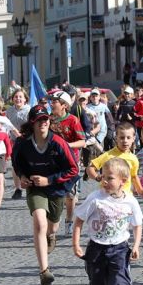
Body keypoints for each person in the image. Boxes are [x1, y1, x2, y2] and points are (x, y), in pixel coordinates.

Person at [72, 158, 143, 285]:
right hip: (96, 248)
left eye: (109, 178)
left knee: (119, 284)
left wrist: (135, 245)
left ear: (123, 181)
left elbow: (137, 225)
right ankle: (100, 282)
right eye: (103, 177)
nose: (104, 181)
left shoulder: (131, 202)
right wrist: (76, 244)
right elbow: (79, 220)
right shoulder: (95, 198)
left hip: (119, 248)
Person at [13, 105, 80, 285]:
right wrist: (23, 177)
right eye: (39, 120)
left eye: (45, 119)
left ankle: (51, 235)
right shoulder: (23, 143)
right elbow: (16, 163)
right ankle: (44, 271)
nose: (43, 122)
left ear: (49, 122)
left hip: (56, 188)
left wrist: (49, 180)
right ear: (32, 123)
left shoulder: (58, 142)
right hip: (35, 188)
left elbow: (74, 170)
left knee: (52, 224)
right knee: (40, 222)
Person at [48, 89, 86, 236]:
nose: (52, 104)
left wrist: (66, 146)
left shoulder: (73, 120)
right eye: (51, 101)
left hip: (71, 162)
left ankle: (69, 220)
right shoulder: (49, 120)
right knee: (54, 194)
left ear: (64, 105)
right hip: (53, 163)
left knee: (70, 196)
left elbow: (82, 142)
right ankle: (53, 221)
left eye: (55, 102)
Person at [86, 122, 143, 199]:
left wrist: (141, 190)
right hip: (106, 196)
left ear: (133, 138)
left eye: (128, 137)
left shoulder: (134, 159)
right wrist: (97, 177)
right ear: (116, 138)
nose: (125, 141)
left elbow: (134, 176)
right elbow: (90, 168)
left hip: (125, 197)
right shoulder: (108, 155)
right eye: (121, 137)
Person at [6, 88, 31, 199]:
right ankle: (18, 189)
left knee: (28, 164)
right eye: (16, 97)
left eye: (20, 96)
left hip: (27, 141)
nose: (18, 99)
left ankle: (30, 185)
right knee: (15, 164)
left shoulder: (29, 110)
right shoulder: (9, 111)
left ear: (25, 99)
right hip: (14, 141)